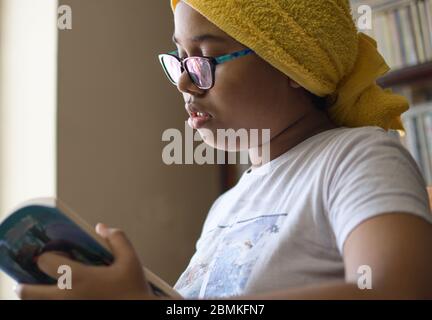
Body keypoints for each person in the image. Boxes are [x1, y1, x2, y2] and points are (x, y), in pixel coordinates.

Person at [16, 0, 432, 299]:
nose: (183, 81)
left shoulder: (357, 157)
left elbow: (399, 288)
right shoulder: (227, 208)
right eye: (180, 58)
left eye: (206, 56)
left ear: (291, 64)